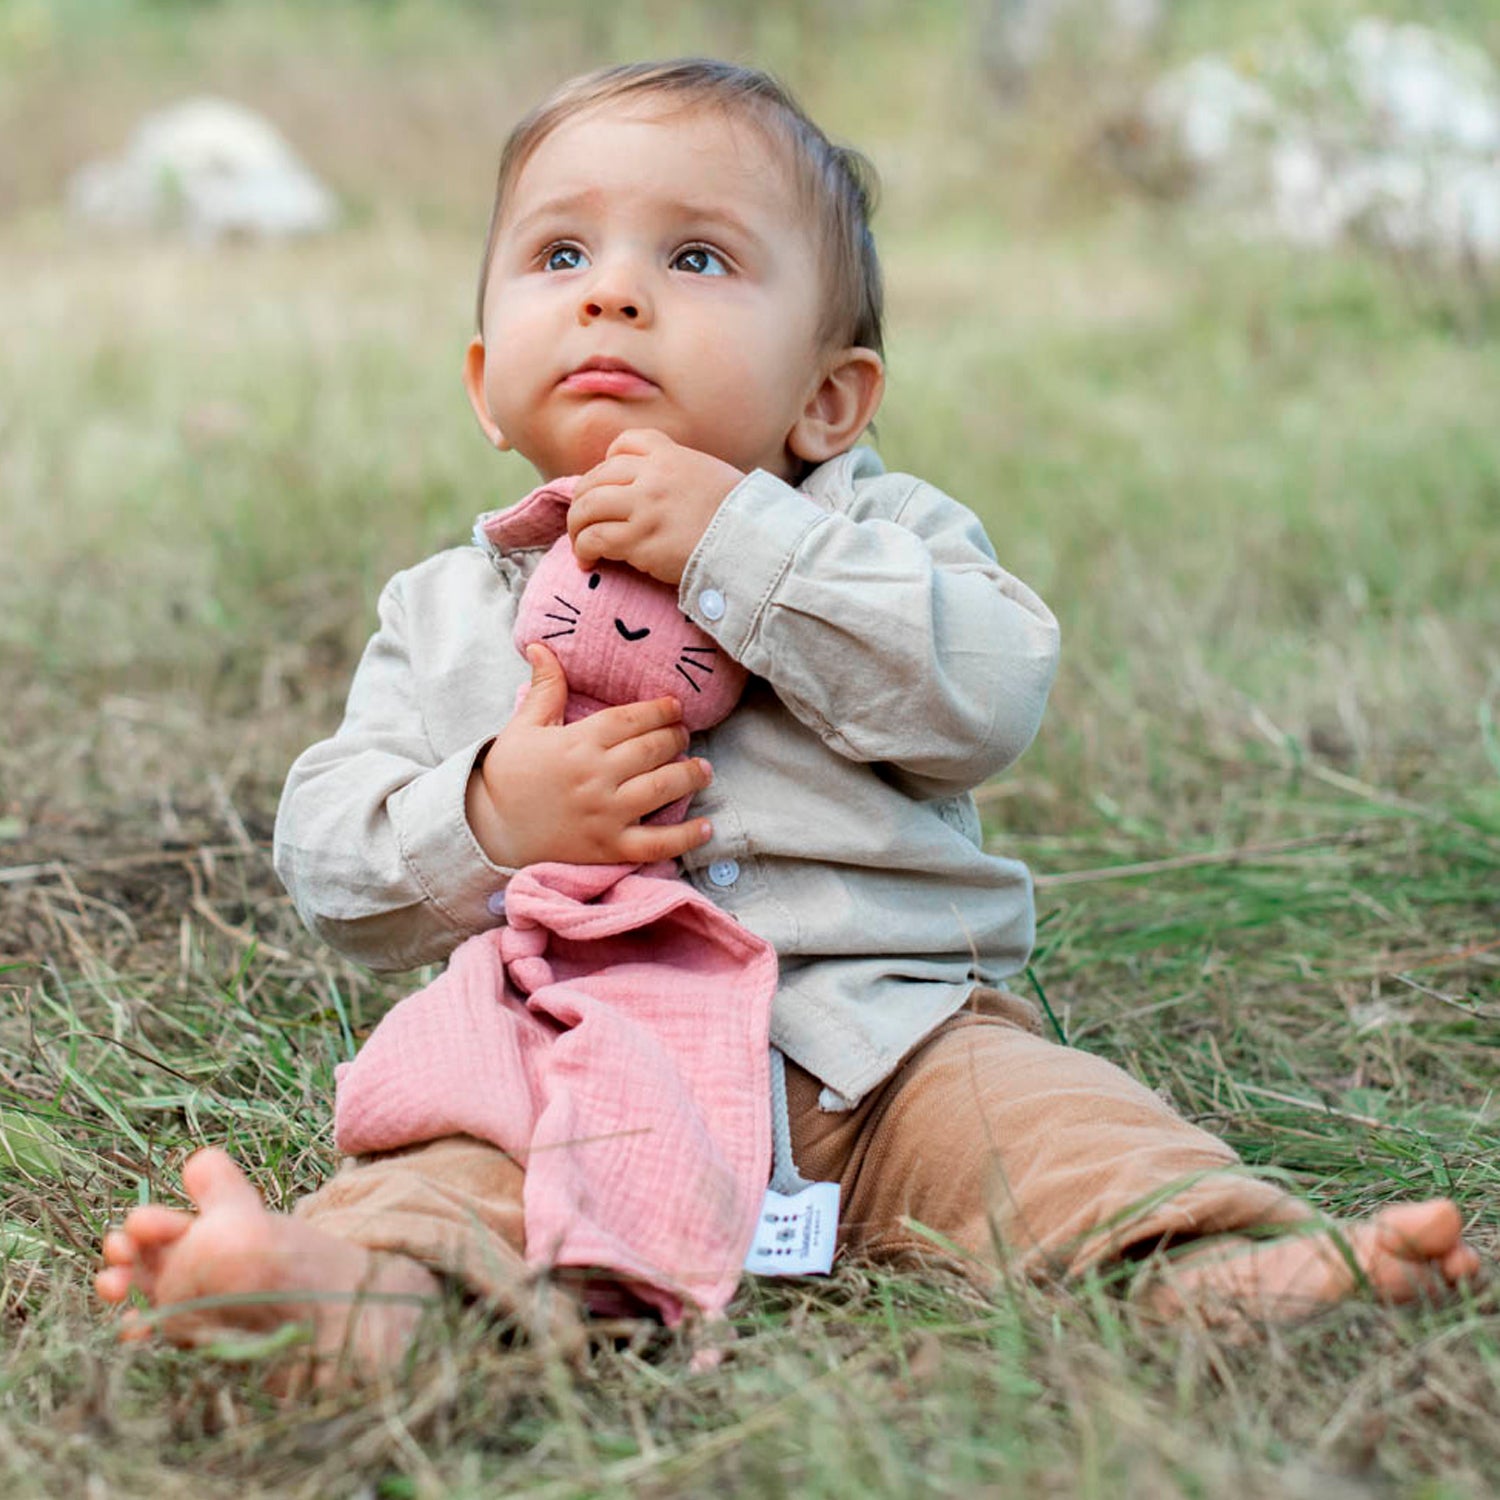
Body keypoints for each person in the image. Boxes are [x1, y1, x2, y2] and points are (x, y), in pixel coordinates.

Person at [97, 59, 1479, 1381]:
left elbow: (986, 690)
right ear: (482, 383)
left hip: (885, 1048)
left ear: (828, 400)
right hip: (564, 1053)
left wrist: (733, 544)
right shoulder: (446, 610)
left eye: (694, 258)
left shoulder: (881, 533)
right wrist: (489, 814)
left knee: (1058, 1137)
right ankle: (347, 1298)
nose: (613, 298)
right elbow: (329, 852)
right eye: (560, 257)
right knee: (445, 1171)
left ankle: (1215, 1266)